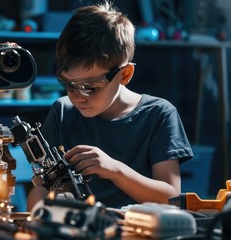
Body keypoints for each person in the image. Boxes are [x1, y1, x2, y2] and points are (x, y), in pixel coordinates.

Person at [27, 1, 193, 210]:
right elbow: (41, 189)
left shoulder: (158, 115)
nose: (78, 97)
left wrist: (115, 170)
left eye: (91, 87)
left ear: (125, 74)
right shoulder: (62, 112)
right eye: (69, 84)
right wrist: (42, 210)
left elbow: (171, 198)